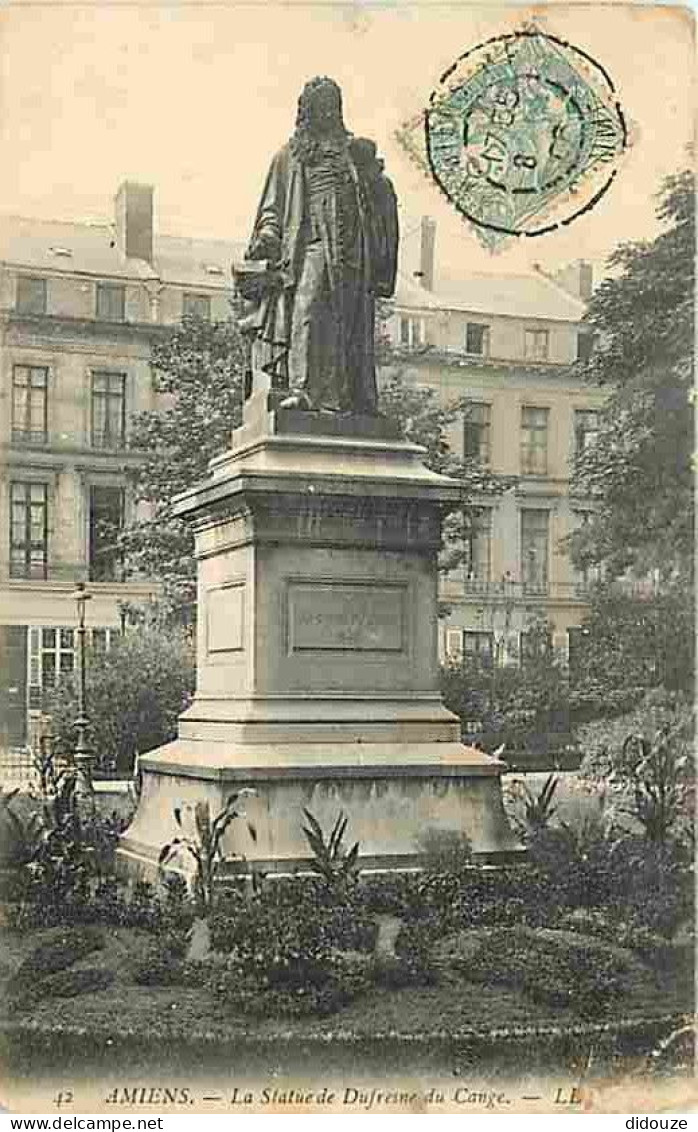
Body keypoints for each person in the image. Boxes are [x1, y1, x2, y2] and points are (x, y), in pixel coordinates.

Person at [240, 76, 398, 414]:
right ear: (307, 110)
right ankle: (304, 390)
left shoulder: (354, 153)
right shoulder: (290, 155)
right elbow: (272, 209)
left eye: (332, 105)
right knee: (308, 308)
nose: (327, 112)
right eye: (320, 105)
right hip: (311, 243)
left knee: (352, 319)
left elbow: (376, 196)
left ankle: (355, 398)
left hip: (354, 247)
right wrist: (267, 238)